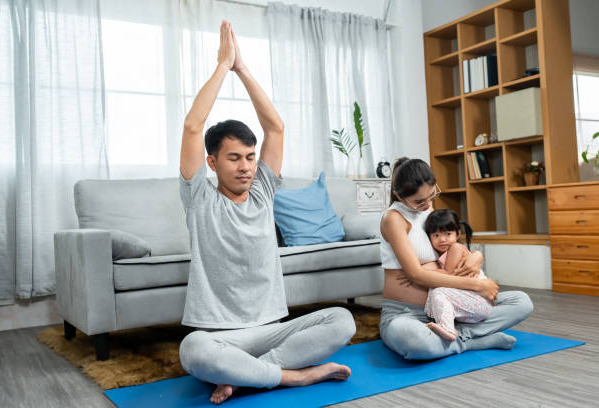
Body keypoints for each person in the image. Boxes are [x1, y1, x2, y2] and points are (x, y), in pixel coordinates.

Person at [177, 21, 356, 405]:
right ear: (211, 162)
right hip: (219, 334)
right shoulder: (200, 198)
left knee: (343, 320)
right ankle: (293, 376)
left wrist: (243, 69)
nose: (245, 167)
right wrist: (223, 66)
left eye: (250, 157)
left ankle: (249, 377)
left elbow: (275, 127)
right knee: (192, 351)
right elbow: (193, 126)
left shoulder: (261, 194)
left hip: (271, 330)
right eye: (234, 158)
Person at [379, 157, 533, 360]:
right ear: (399, 195)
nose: (427, 205)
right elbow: (416, 275)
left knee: (521, 302)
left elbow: (451, 248)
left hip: (452, 307)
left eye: (432, 196)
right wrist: (476, 285)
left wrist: (476, 256)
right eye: (419, 201)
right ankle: (472, 341)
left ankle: (453, 333)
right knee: (411, 339)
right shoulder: (393, 218)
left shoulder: (427, 210)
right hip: (407, 313)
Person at [423, 209, 492, 342]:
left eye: (447, 234)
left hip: (479, 300)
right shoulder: (443, 254)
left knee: (438, 291)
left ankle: (448, 329)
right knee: (436, 290)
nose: (442, 239)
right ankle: (451, 328)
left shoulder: (456, 248)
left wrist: (417, 273)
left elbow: (448, 274)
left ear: (458, 234)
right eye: (436, 235)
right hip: (470, 303)